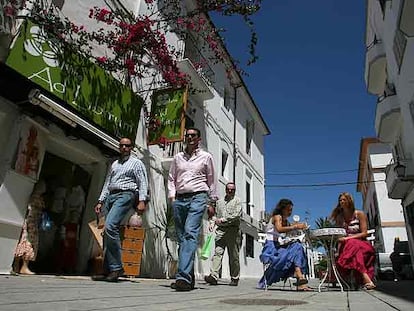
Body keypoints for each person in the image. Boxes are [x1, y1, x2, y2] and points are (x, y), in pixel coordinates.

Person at [168, 127, 218, 291]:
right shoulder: (178, 157)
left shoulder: (206, 157)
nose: (190, 137)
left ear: (199, 139)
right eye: (187, 135)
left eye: (193, 135)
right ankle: (188, 279)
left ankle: (181, 277)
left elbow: (211, 181)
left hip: (198, 196)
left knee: (190, 232)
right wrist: (172, 198)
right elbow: (171, 178)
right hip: (180, 199)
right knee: (182, 238)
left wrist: (212, 202)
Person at [92, 137, 148, 282]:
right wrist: (100, 200)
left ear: (131, 147)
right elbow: (107, 183)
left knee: (111, 226)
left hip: (126, 195)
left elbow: (142, 182)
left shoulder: (136, 163)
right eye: (122, 145)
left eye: (127, 146)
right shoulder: (114, 164)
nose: (124, 148)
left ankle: (117, 267)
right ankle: (107, 269)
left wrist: (142, 200)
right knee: (106, 232)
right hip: (111, 196)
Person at [257, 199, 311, 291]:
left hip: (280, 246)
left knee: (298, 246)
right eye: (288, 210)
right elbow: (279, 229)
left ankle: (299, 275)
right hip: (272, 248)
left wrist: (298, 229)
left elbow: (287, 235)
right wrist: (295, 227)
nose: (290, 212)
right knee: (297, 248)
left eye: (291, 210)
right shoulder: (277, 217)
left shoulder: (287, 221)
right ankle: (299, 277)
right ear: (282, 209)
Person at [330, 192, 376, 290]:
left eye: (344, 200)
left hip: (362, 244)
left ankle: (360, 278)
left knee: (352, 244)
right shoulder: (339, 218)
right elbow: (339, 235)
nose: (342, 202)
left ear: (349, 201)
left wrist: (347, 238)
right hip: (346, 247)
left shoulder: (359, 214)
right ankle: (365, 278)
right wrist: (337, 251)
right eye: (340, 200)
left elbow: (364, 233)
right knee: (352, 247)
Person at [204, 182, 242, 286]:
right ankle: (213, 276)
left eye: (232, 189)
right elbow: (215, 215)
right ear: (225, 189)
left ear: (235, 190)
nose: (230, 191)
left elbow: (236, 215)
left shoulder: (237, 201)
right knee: (217, 253)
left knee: (233, 255)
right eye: (228, 189)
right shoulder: (219, 202)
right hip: (221, 231)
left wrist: (223, 220)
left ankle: (235, 277)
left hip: (233, 230)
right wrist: (212, 223)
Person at [14, 180, 46, 274]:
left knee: (23, 242)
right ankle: (24, 266)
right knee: (29, 243)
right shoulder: (37, 198)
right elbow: (33, 210)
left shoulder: (32, 197)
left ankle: (16, 266)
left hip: (28, 221)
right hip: (32, 222)